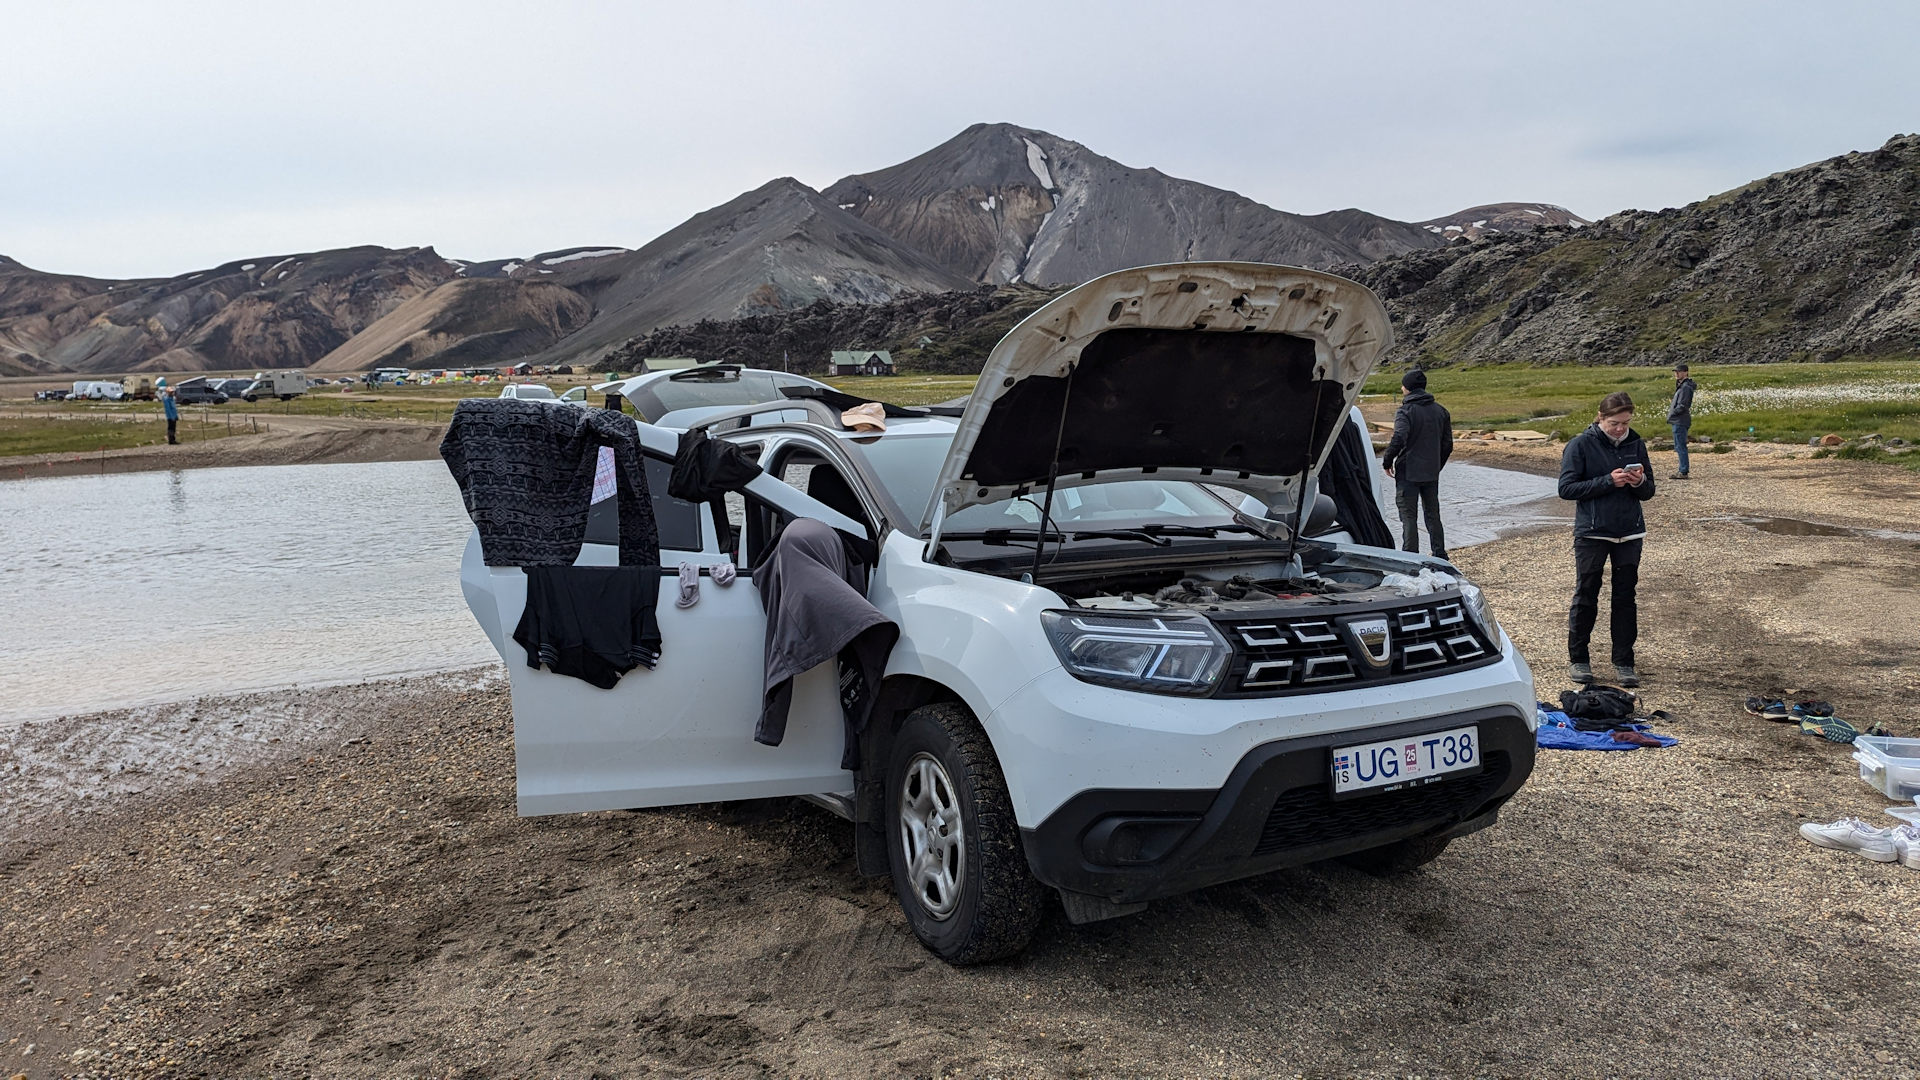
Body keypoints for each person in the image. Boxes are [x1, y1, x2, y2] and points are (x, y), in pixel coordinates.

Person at [1558, 391, 1656, 687]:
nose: (1620, 429)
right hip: (1592, 532)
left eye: (1625, 423)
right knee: (1586, 593)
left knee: (1625, 598)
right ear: (1601, 418)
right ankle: (1579, 660)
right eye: (1615, 423)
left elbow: (1649, 491)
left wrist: (1639, 481)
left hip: (1630, 531)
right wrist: (1608, 481)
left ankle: (1624, 663)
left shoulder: (1636, 443)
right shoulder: (1580, 444)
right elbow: (1566, 489)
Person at [1380, 368, 1453, 561]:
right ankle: (1440, 554)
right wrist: (1436, 465)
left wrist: (1387, 460)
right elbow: (1448, 445)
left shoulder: (1405, 411)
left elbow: (1399, 437)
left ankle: (1410, 556)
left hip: (1408, 472)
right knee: (1433, 514)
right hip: (1431, 472)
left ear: (1408, 388)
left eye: (1403, 385)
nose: (1402, 388)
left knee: (1408, 516)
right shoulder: (1441, 411)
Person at [1667, 362, 1696, 478]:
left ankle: (1683, 471)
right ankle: (1682, 469)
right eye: (1675, 372)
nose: (1676, 374)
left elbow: (1683, 405)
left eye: (1678, 371)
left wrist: (1672, 413)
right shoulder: (1683, 386)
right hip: (1679, 420)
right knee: (1679, 445)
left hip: (1680, 420)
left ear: (1685, 372)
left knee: (1680, 446)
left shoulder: (1685, 387)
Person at [158, 377, 178, 444]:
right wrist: (172, 417)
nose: (172, 393)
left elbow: (174, 409)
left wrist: (176, 416)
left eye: (172, 392)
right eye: (171, 392)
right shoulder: (167, 400)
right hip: (170, 417)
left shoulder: (172, 399)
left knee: (174, 428)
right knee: (171, 428)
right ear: (168, 392)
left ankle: (173, 439)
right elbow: (168, 410)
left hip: (174, 416)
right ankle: (171, 440)